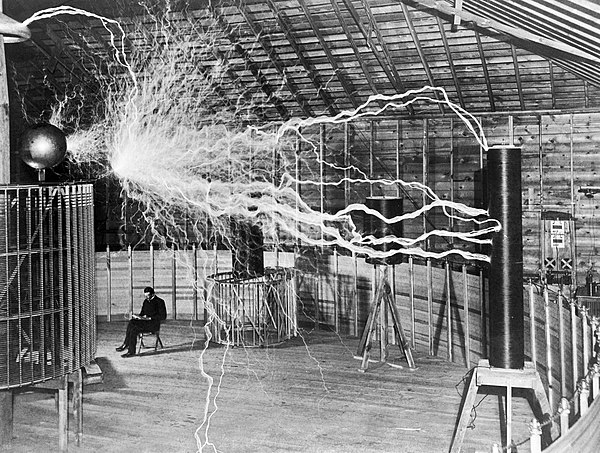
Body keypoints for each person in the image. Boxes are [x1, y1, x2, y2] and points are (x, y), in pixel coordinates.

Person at [116, 286, 167, 357]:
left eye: (148, 296)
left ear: (153, 294)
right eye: (145, 296)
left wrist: (150, 318)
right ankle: (126, 344)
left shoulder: (160, 302)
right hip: (145, 322)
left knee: (134, 329)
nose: (147, 298)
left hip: (153, 324)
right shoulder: (146, 301)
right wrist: (138, 317)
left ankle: (131, 351)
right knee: (132, 321)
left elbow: (163, 316)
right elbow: (142, 313)